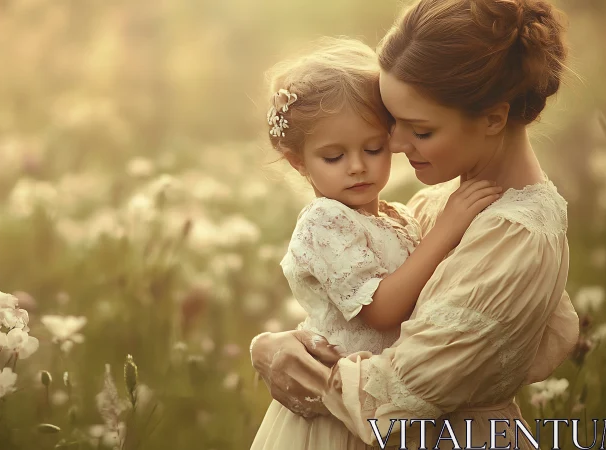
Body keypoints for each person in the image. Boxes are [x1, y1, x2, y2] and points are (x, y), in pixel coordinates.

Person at [249, 1, 580, 449]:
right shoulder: (437, 204)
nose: (398, 145)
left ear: (493, 118)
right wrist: (280, 346)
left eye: (420, 130)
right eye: (394, 123)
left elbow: (400, 396)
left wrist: (284, 361)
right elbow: (357, 314)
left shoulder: (518, 239)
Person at [251, 37, 502, 450]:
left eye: (373, 148)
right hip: (340, 411)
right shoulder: (323, 221)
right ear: (299, 161)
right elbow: (381, 311)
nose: (357, 166)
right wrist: (447, 229)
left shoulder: (396, 216)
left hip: (387, 398)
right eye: (333, 157)